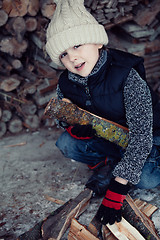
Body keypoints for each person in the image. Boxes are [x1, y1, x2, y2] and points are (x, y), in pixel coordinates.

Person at [46, 0, 160, 225]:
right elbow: (63, 118)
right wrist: (74, 127)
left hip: (144, 139)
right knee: (66, 144)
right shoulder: (66, 83)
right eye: (63, 55)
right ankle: (109, 163)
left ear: (97, 42)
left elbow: (141, 136)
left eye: (77, 45)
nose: (72, 58)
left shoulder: (126, 76)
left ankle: (125, 168)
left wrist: (118, 189)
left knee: (146, 179)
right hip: (108, 138)